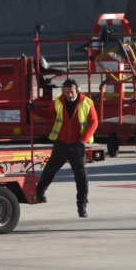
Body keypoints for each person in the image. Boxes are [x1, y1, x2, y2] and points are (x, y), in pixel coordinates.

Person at [34, 78, 98, 218]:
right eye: (67, 92)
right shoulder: (59, 101)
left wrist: (83, 141)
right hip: (61, 143)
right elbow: (48, 115)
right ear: (63, 91)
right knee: (49, 170)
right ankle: (39, 193)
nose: (69, 95)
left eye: (72, 92)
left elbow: (94, 123)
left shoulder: (87, 103)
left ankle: (82, 206)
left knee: (81, 178)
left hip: (77, 145)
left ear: (77, 90)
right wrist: (34, 109)